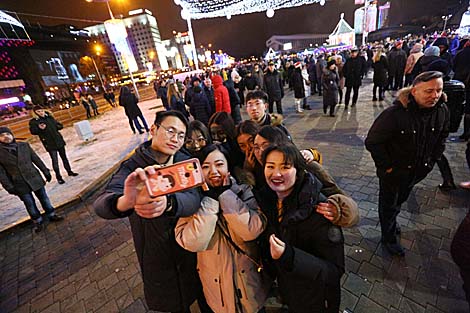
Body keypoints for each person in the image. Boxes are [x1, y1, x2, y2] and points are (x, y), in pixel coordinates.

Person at [93, 111, 208, 312]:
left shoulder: (183, 160)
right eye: (170, 131)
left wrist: (170, 202)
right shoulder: (132, 167)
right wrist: (124, 202)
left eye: (181, 135)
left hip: (190, 246)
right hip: (156, 252)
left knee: (203, 294)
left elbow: (194, 198)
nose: (176, 139)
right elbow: (102, 204)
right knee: (174, 303)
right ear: (153, 129)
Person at [175, 144, 270, 313]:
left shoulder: (244, 191)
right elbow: (193, 243)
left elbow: (252, 230)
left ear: (228, 167)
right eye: (206, 166)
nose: (214, 171)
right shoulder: (191, 200)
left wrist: (225, 195)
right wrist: (210, 202)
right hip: (217, 294)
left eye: (219, 164)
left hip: (250, 288)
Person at [365, 71, 449, 256]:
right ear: (414, 91)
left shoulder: (442, 110)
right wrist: (387, 167)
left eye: (438, 90)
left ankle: (392, 224)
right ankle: (388, 238)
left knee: (399, 201)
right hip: (393, 173)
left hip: (417, 172)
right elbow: (373, 141)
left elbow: (442, 137)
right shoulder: (394, 114)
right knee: (388, 205)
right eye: (429, 91)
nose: (434, 95)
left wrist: (432, 160)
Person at [258, 143, 345, 312]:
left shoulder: (320, 210)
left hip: (317, 299)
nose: (276, 173)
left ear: (298, 171)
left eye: (285, 167)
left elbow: (334, 272)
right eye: (270, 166)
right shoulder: (267, 200)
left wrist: (290, 256)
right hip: (290, 291)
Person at [0, 127, 63, 232]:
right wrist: (9, 186)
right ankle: (37, 221)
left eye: (7, 134)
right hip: (19, 182)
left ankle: (51, 214)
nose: (6, 137)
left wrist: (45, 171)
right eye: (2, 135)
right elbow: (1, 173)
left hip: (34, 177)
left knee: (44, 198)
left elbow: (36, 159)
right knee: (29, 203)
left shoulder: (23, 145)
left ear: (12, 135)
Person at [29, 106, 78, 184]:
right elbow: (33, 131)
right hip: (49, 143)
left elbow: (58, 125)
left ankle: (69, 171)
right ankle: (59, 177)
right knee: (55, 161)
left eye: (41, 110)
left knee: (64, 158)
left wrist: (58, 126)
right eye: (38, 111)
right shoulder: (34, 121)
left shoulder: (49, 117)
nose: (41, 112)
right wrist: (40, 129)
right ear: (35, 113)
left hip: (58, 141)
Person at [453, 40, 470, 140]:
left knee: (460, 105)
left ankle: (463, 132)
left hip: (460, 81)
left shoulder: (461, 53)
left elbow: (454, 66)